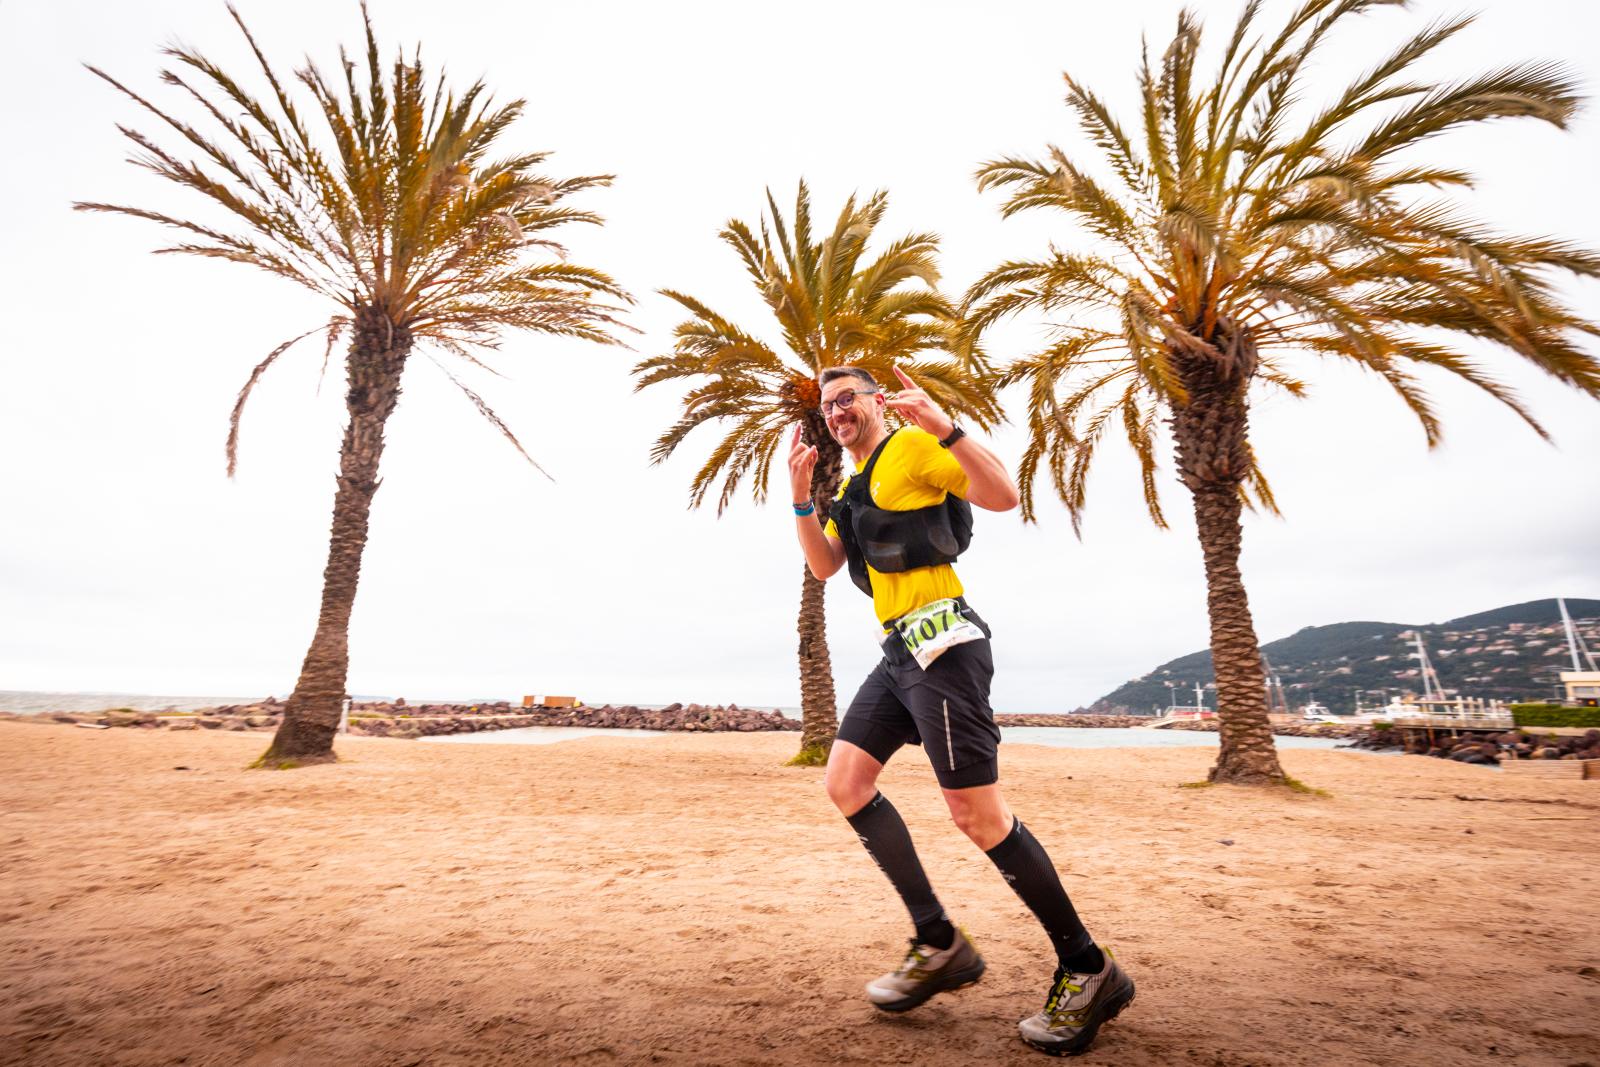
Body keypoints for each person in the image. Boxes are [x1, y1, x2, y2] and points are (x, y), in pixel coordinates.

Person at [786, 365, 1135, 1057]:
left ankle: (1089, 966)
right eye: (827, 406)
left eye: (847, 398)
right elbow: (825, 565)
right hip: (899, 653)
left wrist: (946, 428)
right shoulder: (850, 486)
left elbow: (1002, 495)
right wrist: (800, 498)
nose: (836, 412)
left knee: (978, 817)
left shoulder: (913, 448)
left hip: (945, 646)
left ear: (876, 401)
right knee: (846, 783)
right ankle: (939, 940)